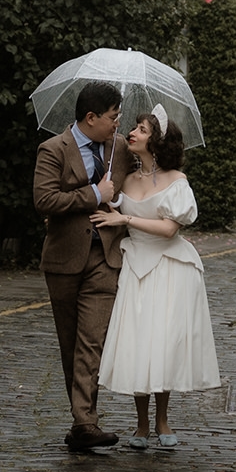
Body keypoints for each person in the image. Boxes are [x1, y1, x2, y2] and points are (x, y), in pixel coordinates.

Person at [93, 105, 220, 449]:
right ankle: (141, 424)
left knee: (162, 343)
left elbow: (168, 229)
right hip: (135, 266)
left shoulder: (177, 181)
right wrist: (105, 200)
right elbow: (110, 211)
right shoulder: (125, 179)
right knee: (138, 342)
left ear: (157, 142)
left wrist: (126, 221)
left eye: (142, 130)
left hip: (169, 267)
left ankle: (162, 420)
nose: (132, 133)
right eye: (134, 127)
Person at [34, 80, 130, 450]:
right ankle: (81, 422)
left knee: (92, 340)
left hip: (105, 258)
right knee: (70, 343)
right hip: (63, 260)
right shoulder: (53, 149)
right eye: (112, 117)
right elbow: (44, 200)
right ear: (90, 117)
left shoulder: (119, 148)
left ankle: (86, 422)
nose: (117, 123)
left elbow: (145, 172)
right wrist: (94, 194)